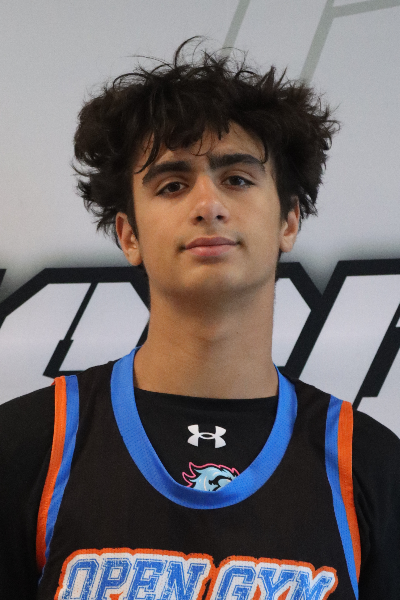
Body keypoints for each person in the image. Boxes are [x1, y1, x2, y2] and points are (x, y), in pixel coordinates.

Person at [0, 39, 399, 600]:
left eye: (237, 179)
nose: (208, 204)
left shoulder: (371, 466)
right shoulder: (26, 447)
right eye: (173, 184)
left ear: (288, 221)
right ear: (129, 235)